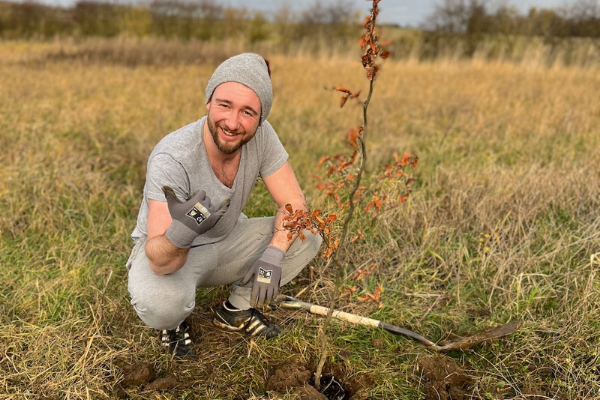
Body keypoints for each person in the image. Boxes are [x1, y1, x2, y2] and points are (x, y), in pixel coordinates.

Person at [125, 53, 322, 358]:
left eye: (247, 112)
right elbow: (160, 261)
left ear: (261, 118)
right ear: (208, 102)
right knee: (161, 305)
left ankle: (237, 310)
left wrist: (273, 253)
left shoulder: (263, 137)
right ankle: (174, 324)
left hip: (227, 239)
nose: (232, 123)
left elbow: (294, 204)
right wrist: (186, 228)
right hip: (174, 254)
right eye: (224, 105)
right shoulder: (172, 157)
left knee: (306, 231)